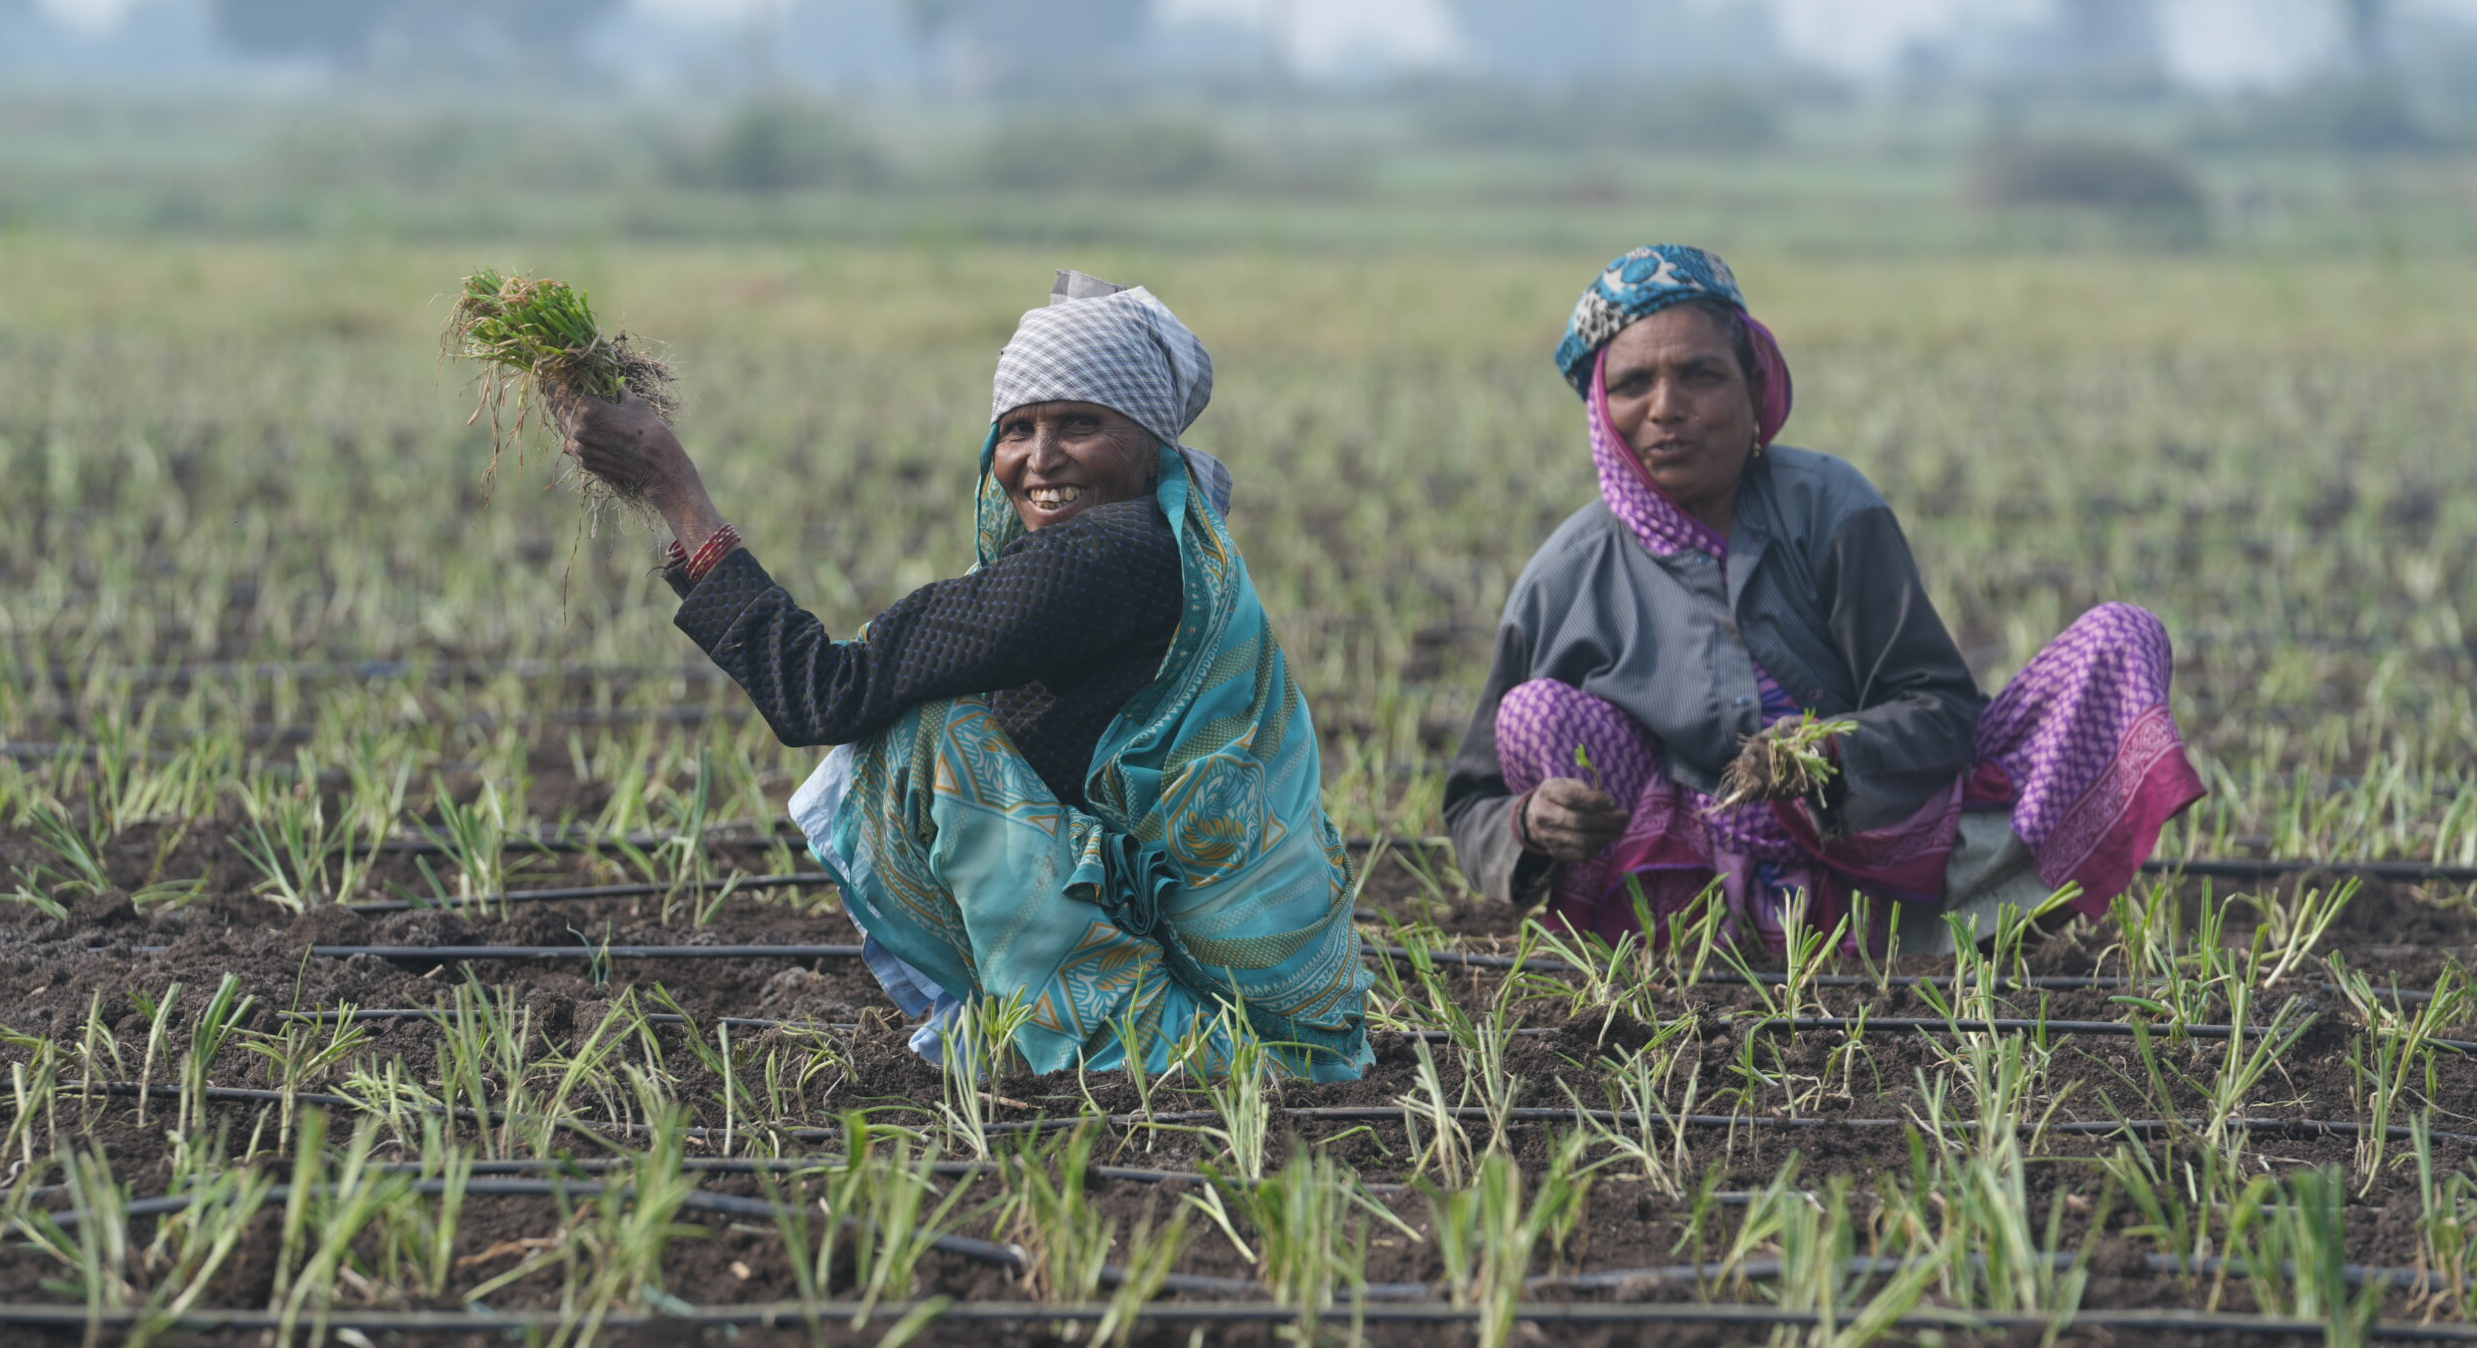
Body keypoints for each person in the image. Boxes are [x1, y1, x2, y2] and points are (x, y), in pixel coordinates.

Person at [559, 271, 1370, 1078]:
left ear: (1150, 441)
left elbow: (825, 692)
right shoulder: (1169, 547)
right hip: (1283, 1019)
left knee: (926, 733)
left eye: (1080, 423)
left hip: (1232, 1049)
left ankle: (1090, 1037)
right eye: (1017, 430)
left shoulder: (1108, 553)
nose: (1041, 458)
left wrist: (676, 491)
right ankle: (1048, 1016)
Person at [1441, 245, 2203, 950]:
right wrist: (1527, 820)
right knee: (1534, 713)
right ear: (1602, 410)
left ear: (1753, 386)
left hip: (1883, 852)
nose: (1666, 407)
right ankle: (1684, 951)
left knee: (2120, 637)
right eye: (1633, 384)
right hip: (1691, 881)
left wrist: (1827, 752)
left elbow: (1940, 710)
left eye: (1701, 375)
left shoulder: (1828, 506)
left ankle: (1961, 923)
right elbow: (1472, 801)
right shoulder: (1564, 575)